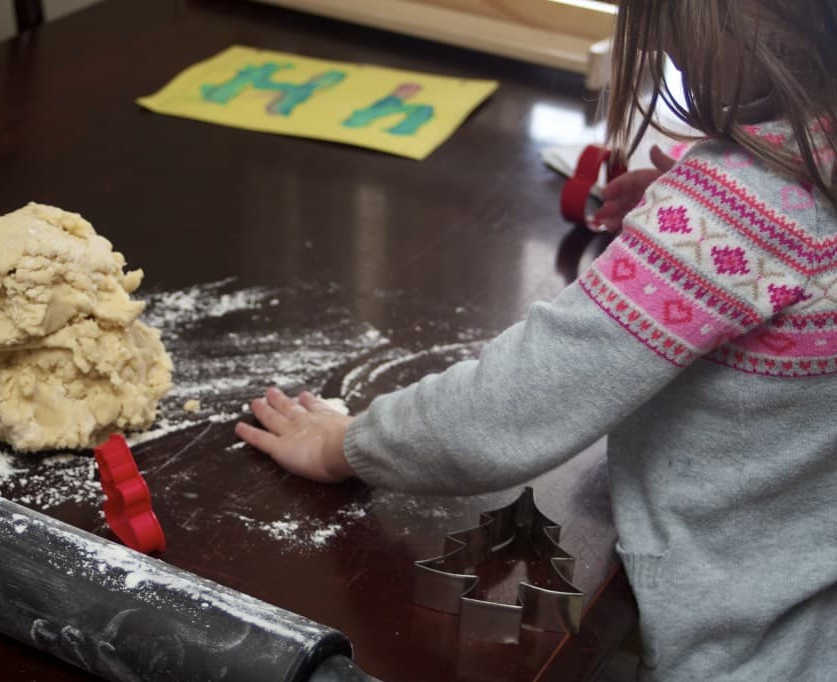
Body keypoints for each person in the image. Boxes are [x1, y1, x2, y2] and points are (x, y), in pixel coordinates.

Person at [236, 1, 837, 679]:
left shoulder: (746, 213)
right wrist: (688, 215)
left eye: (675, 27)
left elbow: (513, 405)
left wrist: (344, 443)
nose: (676, 51)